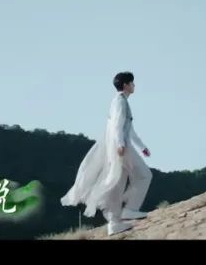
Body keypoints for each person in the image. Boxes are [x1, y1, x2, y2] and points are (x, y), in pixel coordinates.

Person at [61, 71, 153, 236]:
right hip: (122, 148)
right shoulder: (120, 102)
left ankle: (114, 223)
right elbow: (117, 125)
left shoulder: (120, 101)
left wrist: (142, 146)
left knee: (117, 184)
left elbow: (128, 129)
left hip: (120, 146)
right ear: (125, 85)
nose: (134, 85)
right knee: (144, 175)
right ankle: (130, 209)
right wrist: (120, 144)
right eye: (132, 83)